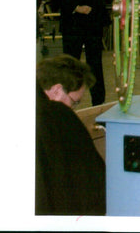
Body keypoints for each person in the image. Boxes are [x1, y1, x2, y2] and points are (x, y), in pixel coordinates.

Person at [36, 55, 105, 215]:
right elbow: (93, 181)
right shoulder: (59, 115)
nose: (73, 108)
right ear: (57, 90)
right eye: (75, 102)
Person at [50, 0, 112, 106]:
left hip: (93, 26)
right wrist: (76, 8)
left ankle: (98, 104)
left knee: (95, 65)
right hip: (72, 25)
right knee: (70, 66)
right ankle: (65, 102)